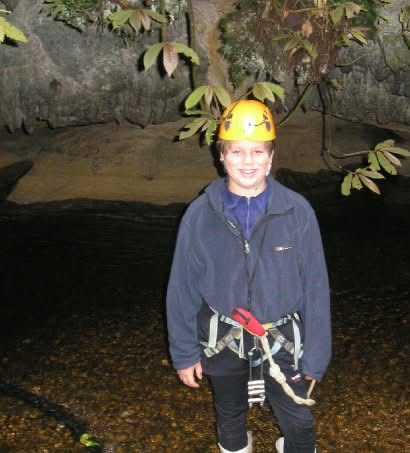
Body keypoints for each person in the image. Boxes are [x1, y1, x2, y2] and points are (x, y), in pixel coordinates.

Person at [166, 99, 331, 453]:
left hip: (281, 338)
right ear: (221, 156)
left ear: (271, 157)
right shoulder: (199, 215)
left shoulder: (297, 212)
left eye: (257, 152)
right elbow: (182, 288)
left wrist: (317, 355)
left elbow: (316, 288)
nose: (248, 161)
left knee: (300, 424)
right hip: (223, 335)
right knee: (229, 418)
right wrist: (184, 353)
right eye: (237, 152)